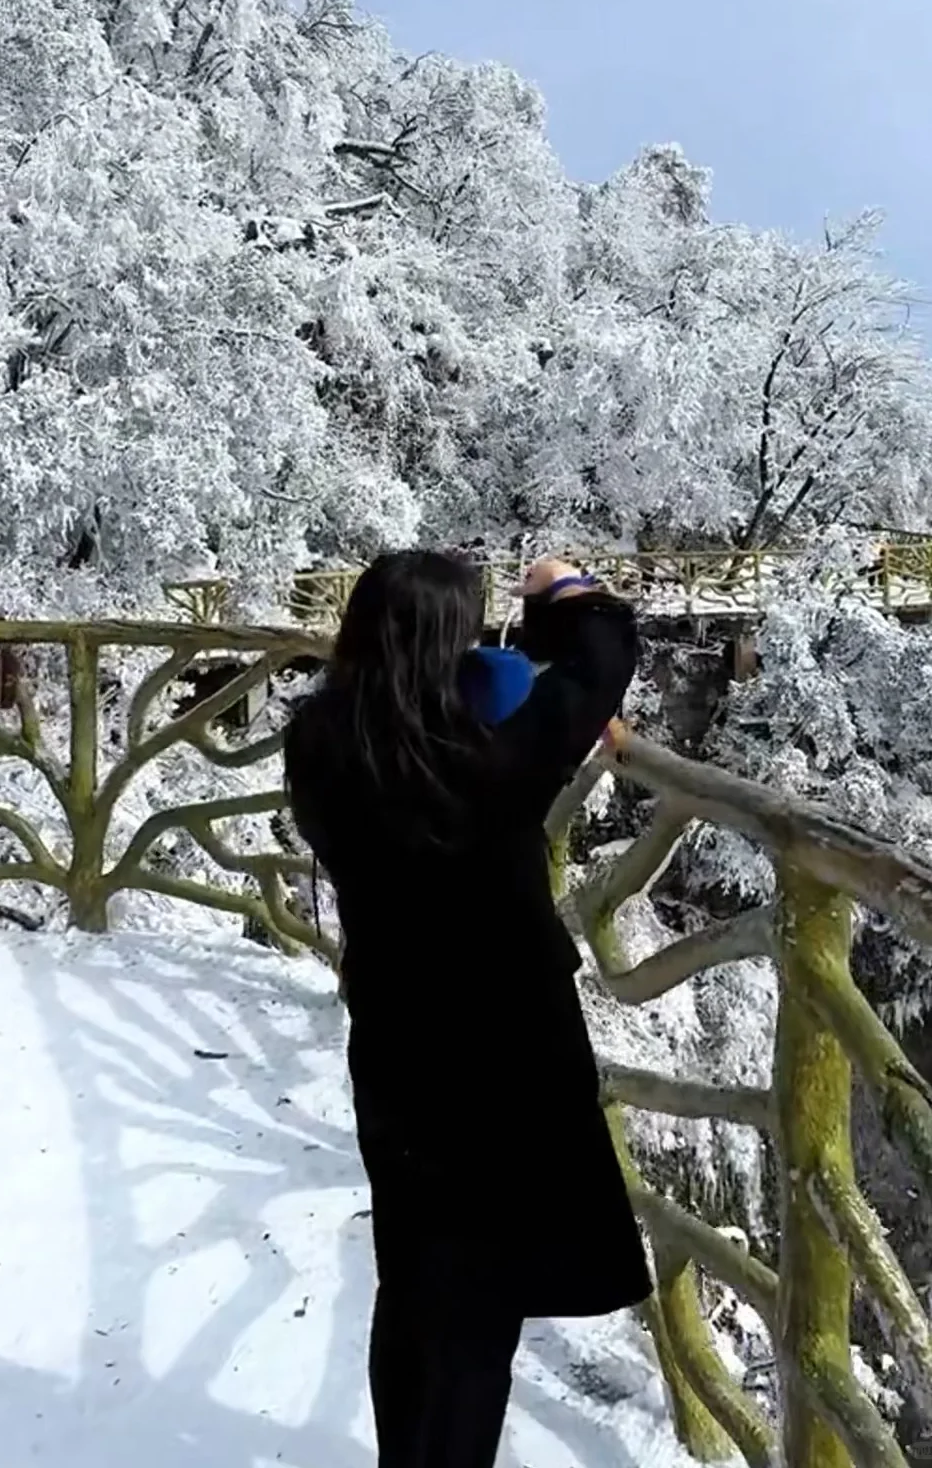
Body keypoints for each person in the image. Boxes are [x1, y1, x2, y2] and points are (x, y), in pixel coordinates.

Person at [283, 550, 652, 1468]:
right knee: (482, 1298)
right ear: (452, 643)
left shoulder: (321, 741)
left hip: (398, 1041)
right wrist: (560, 591)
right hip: (509, 1049)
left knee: (411, 1276)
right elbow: (607, 652)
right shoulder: (503, 744)